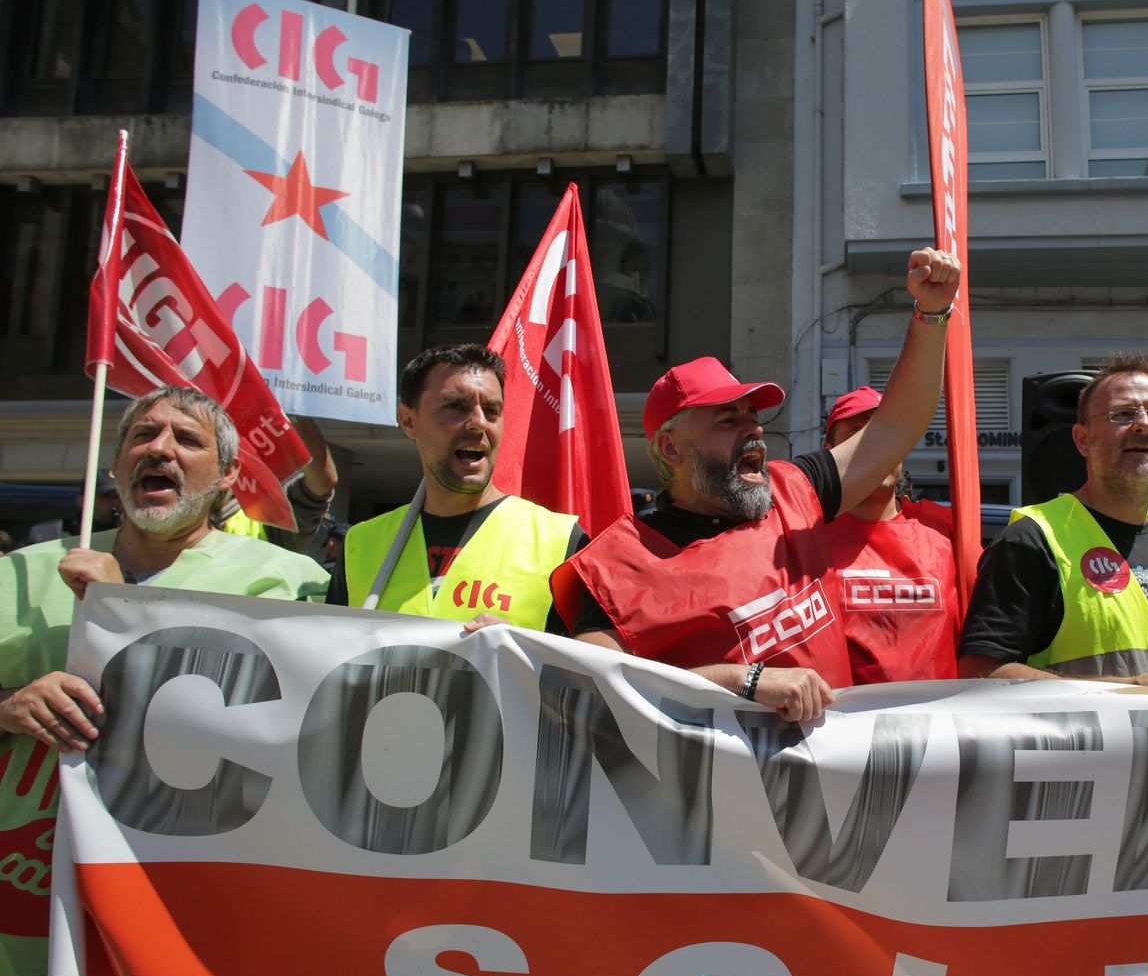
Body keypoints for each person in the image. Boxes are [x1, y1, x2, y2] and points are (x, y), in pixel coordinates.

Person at [0, 386, 329, 976]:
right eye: (143, 436)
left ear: (229, 477)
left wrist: (119, 605)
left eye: (188, 440)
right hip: (25, 940)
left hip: (191, 942)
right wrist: (6, 706)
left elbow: (319, 740)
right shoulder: (20, 577)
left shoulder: (290, 584)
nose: (161, 448)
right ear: (115, 466)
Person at [553, 247, 961, 721]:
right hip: (720, 793)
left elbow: (894, 428)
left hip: (835, 784)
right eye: (728, 420)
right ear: (671, 450)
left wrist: (932, 314)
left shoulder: (794, 492)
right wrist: (738, 681)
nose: (755, 430)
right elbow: (590, 689)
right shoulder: (618, 565)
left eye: (754, 416)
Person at [958, 355, 1148, 701]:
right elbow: (980, 674)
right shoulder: (1034, 539)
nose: (1144, 425)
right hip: (1089, 754)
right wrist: (1114, 691)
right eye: (1123, 414)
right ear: (1082, 440)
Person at [327, 344, 584, 633]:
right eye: (456, 407)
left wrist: (524, 652)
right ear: (409, 420)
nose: (478, 423)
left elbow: (590, 670)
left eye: (491, 410)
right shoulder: (359, 544)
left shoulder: (563, 542)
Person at [820, 386, 960, 683]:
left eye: (885, 434)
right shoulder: (805, 540)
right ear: (829, 452)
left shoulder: (948, 531)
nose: (875, 448)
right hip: (843, 725)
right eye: (856, 435)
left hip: (939, 722)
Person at [215, 416, 339, 553]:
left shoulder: (266, 516)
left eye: (191, 442)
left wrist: (295, 408)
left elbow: (321, 485)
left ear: (230, 470)